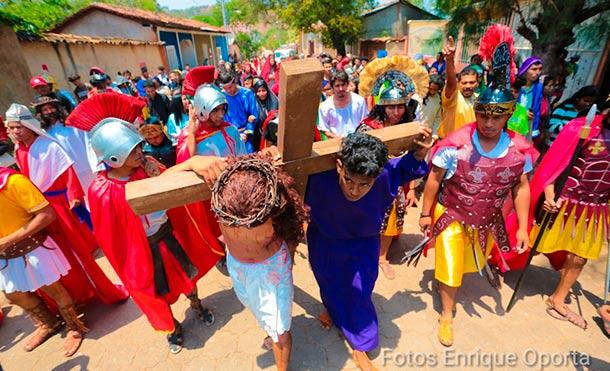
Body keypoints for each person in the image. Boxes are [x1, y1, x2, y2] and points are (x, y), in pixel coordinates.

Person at [68, 93, 222, 353]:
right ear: (114, 155)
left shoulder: (147, 165)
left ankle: (197, 306)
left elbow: (169, 185)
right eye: (133, 150)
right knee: (155, 292)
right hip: (141, 251)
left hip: (168, 236)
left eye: (140, 146)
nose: (141, 152)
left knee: (188, 277)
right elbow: (111, 236)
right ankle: (172, 328)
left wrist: (175, 168)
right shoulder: (101, 189)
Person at [419, 24, 537, 347]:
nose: (487, 123)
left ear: (508, 115)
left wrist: (523, 228)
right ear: (477, 112)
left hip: (486, 218)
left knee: (470, 262)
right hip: (453, 215)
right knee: (452, 265)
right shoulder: (456, 144)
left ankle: (462, 283)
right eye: (483, 115)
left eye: (496, 117)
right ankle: (446, 312)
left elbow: (521, 187)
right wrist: (426, 213)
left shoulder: (518, 150)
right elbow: (434, 179)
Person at [306, 130, 432, 370]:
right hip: (324, 242)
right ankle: (334, 313)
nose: (355, 190)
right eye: (349, 180)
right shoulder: (319, 177)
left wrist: (420, 152)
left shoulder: (385, 174)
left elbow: (407, 165)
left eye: (365, 184)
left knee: (359, 291)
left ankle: (361, 345)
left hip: (363, 244)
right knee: (328, 282)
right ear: (339, 165)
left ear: (376, 176)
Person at [174, 156, 308, 370]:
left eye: (253, 224)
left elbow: (297, 223)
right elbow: (149, 187)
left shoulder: (268, 190)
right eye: (232, 221)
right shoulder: (223, 182)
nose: (241, 228)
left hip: (271, 272)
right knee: (256, 307)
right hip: (237, 266)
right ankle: (271, 331)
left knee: (280, 332)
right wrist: (191, 163)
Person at [5, 103, 128, 305]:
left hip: (59, 206)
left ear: (29, 125)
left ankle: (99, 290)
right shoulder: (19, 151)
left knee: (76, 252)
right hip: (37, 207)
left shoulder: (48, 146)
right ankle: (76, 295)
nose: (15, 132)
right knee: (55, 255)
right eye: (11, 128)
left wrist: (74, 195)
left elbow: (68, 173)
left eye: (19, 127)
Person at [508, 102, 609, 330]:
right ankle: (500, 263)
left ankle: (558, 299)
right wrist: (550, 194)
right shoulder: (581, 128)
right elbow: (555, 165)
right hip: (565, 201)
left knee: (580, 256)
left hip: (595, 206)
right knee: (532, 242)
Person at [0, 165, 88, 357]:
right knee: (13, 295)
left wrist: (7, 240)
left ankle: (75, 327)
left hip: (32, 249)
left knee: (54, 289)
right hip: (5, 257)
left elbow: (47, 215)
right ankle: (49, 323)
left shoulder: (14, 182)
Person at [357, 55, 430, 279]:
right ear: (381, 106)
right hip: (369, 184)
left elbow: (413, 160)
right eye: (390, 107)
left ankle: (382, 256)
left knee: (390, 220)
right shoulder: (366, 128)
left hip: (395, 183)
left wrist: (411, 189)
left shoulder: (410, 128)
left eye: (400, 106)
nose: (396, 112)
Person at [31, 95, 100, 200]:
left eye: (51, 107)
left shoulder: (73, 125)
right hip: (69, 177)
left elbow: (88, 143)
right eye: (45, 110)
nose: (49, 111)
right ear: (40, 114)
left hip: (87, 169)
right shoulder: (43, 135)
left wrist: (97, 166)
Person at [437, 36, 478, 138]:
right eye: (464, 83)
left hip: (470, 147)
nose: (468, 86)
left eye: (471, 82)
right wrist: (450, 59)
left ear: (477, 83)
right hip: (450, 147)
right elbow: (451, 82)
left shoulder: (479, 99)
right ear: (458, 84)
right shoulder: (454, 96)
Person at [318, 71, 369, 139]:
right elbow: (324, 129)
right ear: (332, 86)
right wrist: (339, 139)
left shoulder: (359, 101)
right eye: (337, 86)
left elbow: (365, 121)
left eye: (343, 85)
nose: (341, 89)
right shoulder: (325, 106)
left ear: (347, 84)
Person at [217, 71, 259, 153]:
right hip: (229, 136)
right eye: (225, 88)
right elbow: (220, 119)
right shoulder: (221, 97)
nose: (228, 91)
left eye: (230, 87)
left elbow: (253, 116)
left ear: (235, 81)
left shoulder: (247, 94)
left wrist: (246, 133)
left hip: (246, 136)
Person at [516, 56, 546, 142]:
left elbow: (537, 110)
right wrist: (521, 111)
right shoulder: (515, 85)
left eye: (540, 69)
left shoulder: (538, 87)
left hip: (527, 124)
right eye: (534, 69)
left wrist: (534, 130)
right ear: (525, 70)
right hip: (513, 122)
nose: (537, 72)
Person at [253, 79, 279, 149]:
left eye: (263, 90)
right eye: (258, 91)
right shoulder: (253, 102)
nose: (261, 94)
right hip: (258, 133)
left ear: (267, 90)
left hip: (273, 134)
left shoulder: (274, 101)